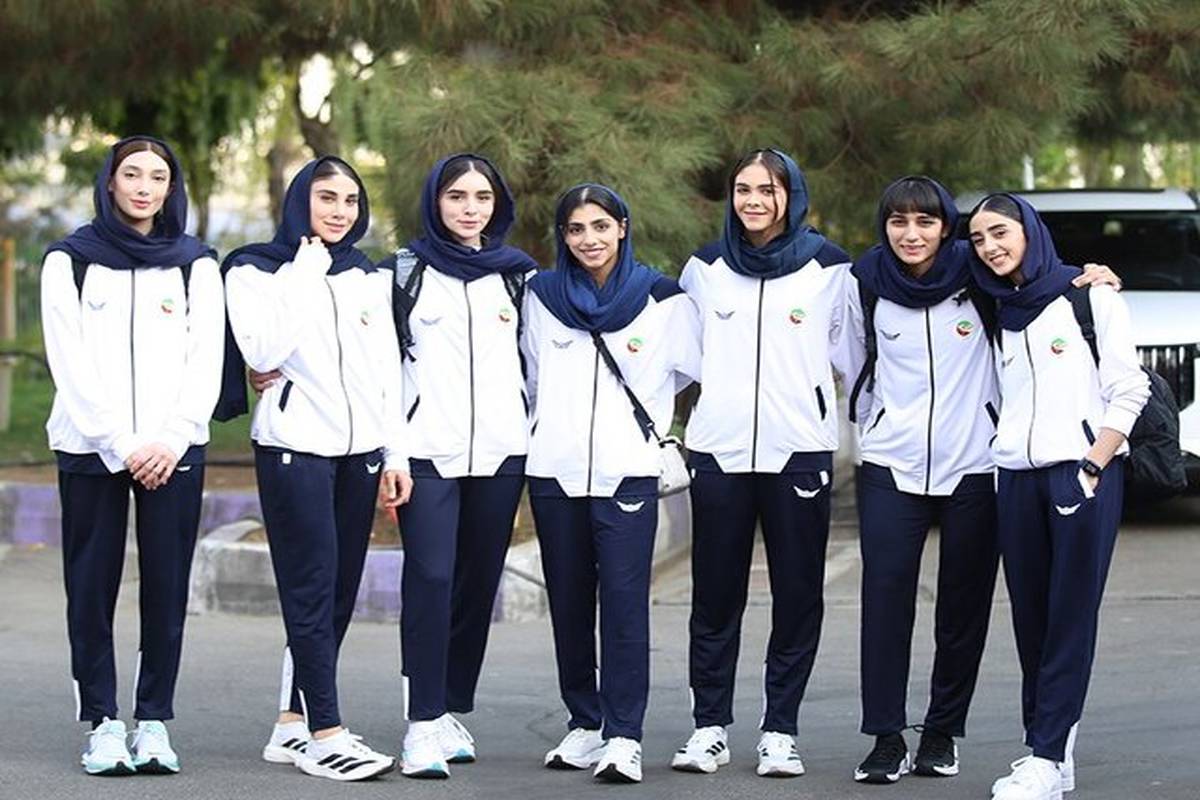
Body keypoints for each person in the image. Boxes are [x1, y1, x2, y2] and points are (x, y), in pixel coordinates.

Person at [219, 156, 412, 782]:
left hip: (360, 454)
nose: (340, 211)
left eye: (351, 200)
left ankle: (291, 724)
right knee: (310, 588)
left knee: (337, 593)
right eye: (327, 197)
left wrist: (394, 453)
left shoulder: (368, 276)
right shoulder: (254, 269)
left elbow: (386, 371)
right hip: (293, 448)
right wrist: (306, 270)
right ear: (299, 198)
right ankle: (326, 734)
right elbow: (263, 350)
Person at [671, 148, 862, 778]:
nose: (754, 201)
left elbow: (855, 359)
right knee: (714, 595)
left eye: (768, 189)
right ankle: (709, 728)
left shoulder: (830, 268)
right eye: (743, 189)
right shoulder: (705, 268)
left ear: (791, 196)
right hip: (719, 452)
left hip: (798, 451)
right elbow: (681, 359)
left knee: (798, 594)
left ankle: (780, 729)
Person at [41, 135, 224, 776]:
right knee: (91, 587)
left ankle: (153, 721)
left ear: (171, 189)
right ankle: (103, 722)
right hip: (91, 447)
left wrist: (170, 439)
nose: (145, 187)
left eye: (158, 177)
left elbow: (206, 358)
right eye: (132, 174)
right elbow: (69, 362)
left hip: (174, 450)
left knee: (167, 588)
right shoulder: (70, 261)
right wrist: (121, 442)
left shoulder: (196, 264)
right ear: (111, 182)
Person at [966, 193, 1149, 800]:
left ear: (1029, 231)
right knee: (1032, 621)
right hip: (1016, 476)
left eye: (1000, 232)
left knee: (1069, 617)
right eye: (979, 238)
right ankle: (1052, 752)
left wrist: (1094, 463)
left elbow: (1130, 389)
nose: (990, 246)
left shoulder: (1089, 298)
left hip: (1080, 473)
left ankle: (1043, 758)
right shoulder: (996, 306)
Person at [522, 184, 700, 784]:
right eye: (575, 229)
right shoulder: (541, 297)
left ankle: (624, 735)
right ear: (563, 236)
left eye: (600, 226)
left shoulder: (663, 299)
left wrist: (642, 430)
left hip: (627, 471)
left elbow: (688, 374)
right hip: (554, 471)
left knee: (623, 606)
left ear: (622, 227)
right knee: (569, 604)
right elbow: (533, 376)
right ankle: (585, 722)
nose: (589, 239)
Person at [386, 154, 538, 778]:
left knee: (477, 585)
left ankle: (449, 707)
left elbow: (539, 362)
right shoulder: (404, 272)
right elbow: (381, 368)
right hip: (426, 452)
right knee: (430, 578)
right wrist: (393, 453)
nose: (470, 208)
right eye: (456, 196)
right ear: (435, 201)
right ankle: (421, 723)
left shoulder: (518, 276)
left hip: (501, 453)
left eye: (482, 197)